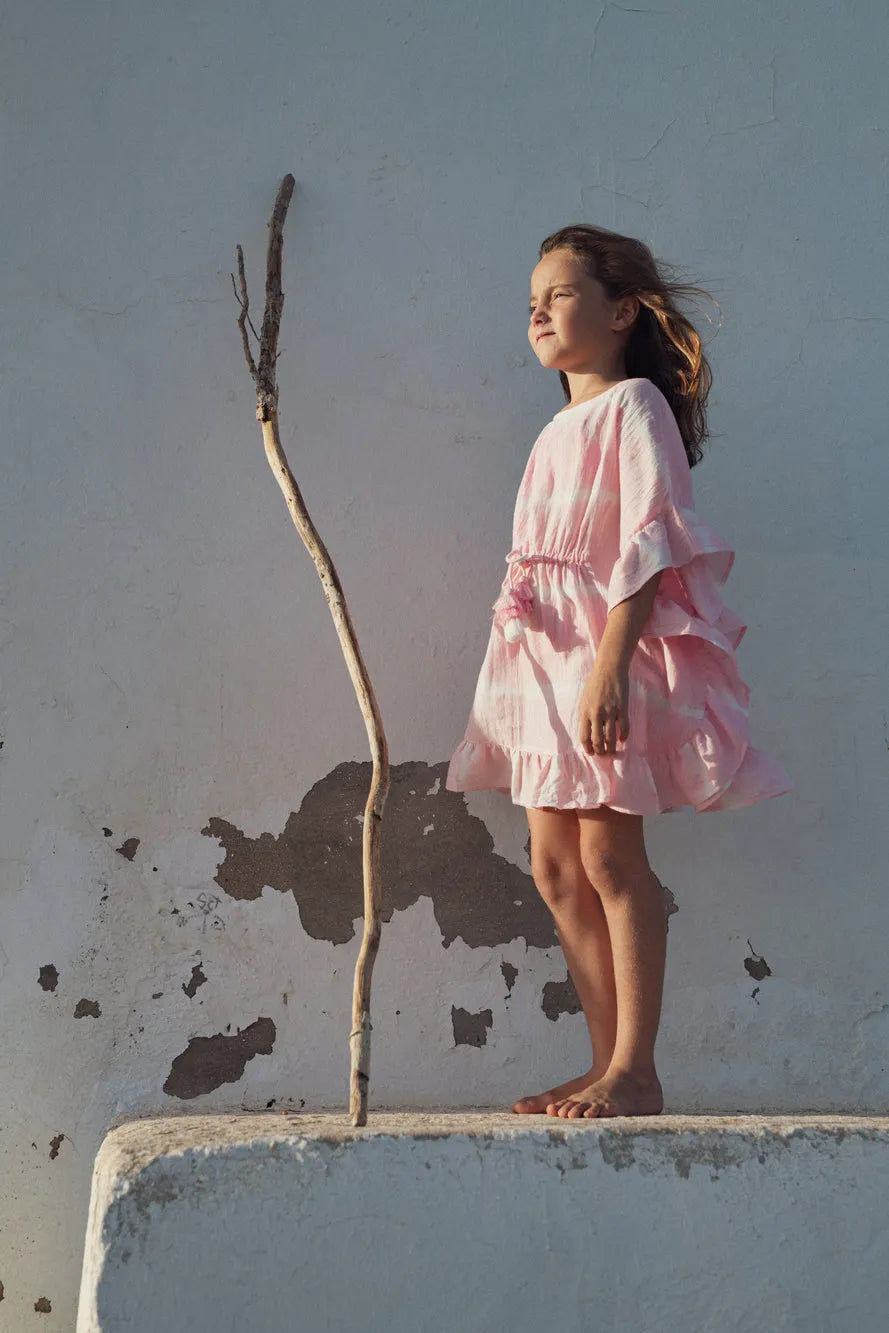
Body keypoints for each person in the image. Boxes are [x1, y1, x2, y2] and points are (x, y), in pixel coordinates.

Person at [445, 224, 793, 1119]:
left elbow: (651, 544)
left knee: (607, 850)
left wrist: (610, 664)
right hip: (538, 655)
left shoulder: (633, 406)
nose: (538, 309)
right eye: (532, 297)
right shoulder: (555, 428)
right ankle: (604, 1063)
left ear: (620, 310)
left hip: (604, 648)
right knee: (554, 864)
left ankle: (635, 1068)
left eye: (559, 293)